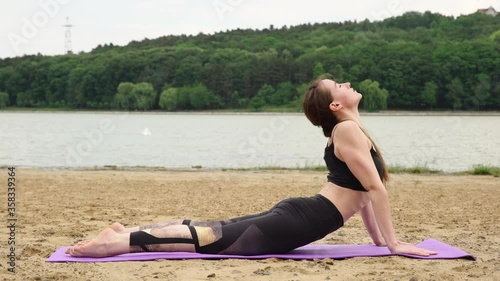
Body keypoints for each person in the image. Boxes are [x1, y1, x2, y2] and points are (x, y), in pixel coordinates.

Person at [65, 75, 437, 258]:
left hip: (303, 212)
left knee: (215, 228)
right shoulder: (348, 130)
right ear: (336, 106)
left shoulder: (347, 130)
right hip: (301, 218)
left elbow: (363, 196)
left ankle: (123, 232)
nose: (347, 83)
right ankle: (119, 243)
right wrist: (393, 244)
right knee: (214, 237)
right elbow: (374, 190)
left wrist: (377, 241)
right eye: (338, 84)